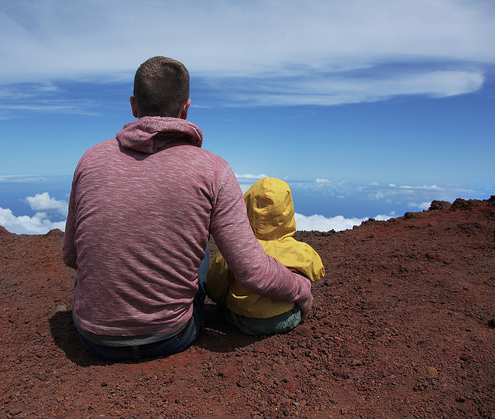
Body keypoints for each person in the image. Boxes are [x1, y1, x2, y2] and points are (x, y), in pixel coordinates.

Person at [62, 56, 313, 361]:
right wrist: (301, 289)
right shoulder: (213, 170)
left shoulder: (90, 160)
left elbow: (71, 256)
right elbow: (252, 272)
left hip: (93, 337)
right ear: (186, 107)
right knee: (202, 253)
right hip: (170, 336)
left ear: (133, 106)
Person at [207, 177, 325, 335]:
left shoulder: (235, 250)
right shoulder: (300, 251)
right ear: (287, 211)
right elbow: (318, 272)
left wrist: (219, 299)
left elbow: (215, 285)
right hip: (282, 319)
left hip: (240, 318)